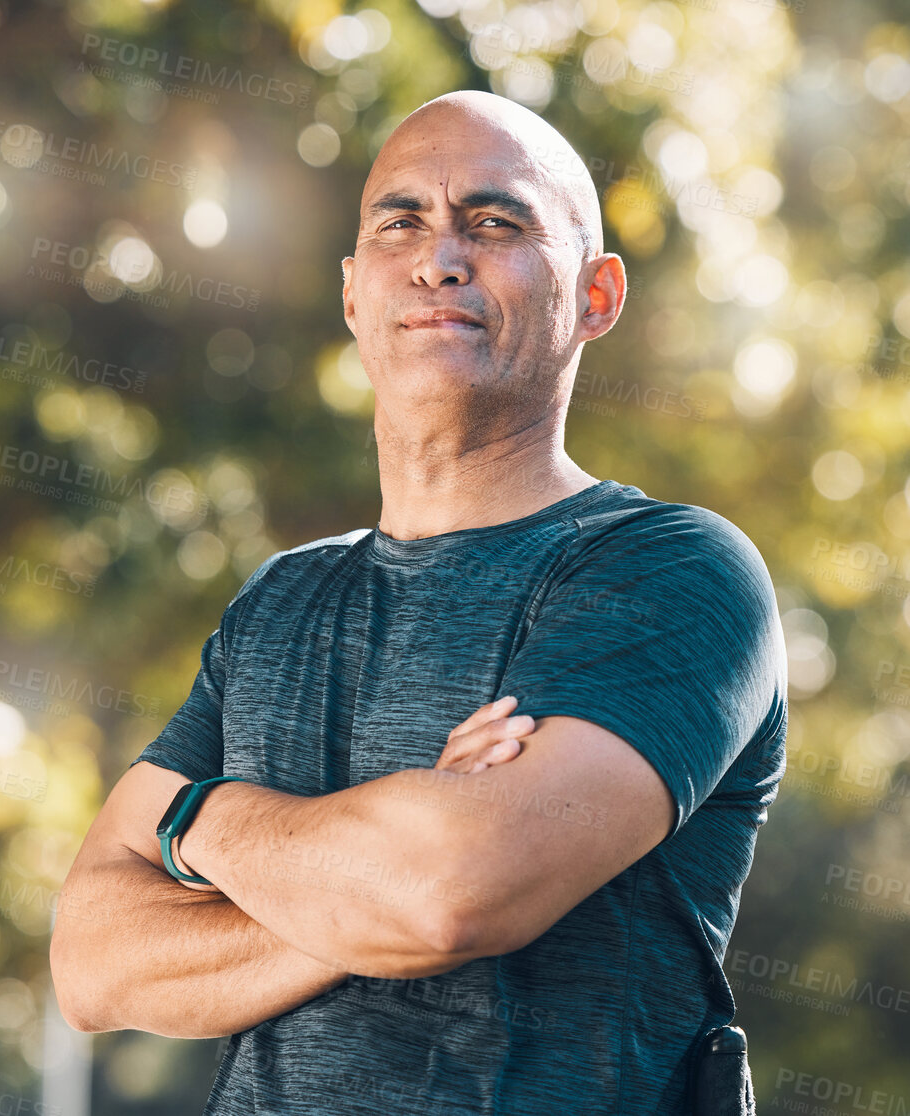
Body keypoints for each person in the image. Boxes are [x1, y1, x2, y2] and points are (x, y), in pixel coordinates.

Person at [48, 89, 787, 1115]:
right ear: (355, 294)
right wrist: (375, 873)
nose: (439, 256)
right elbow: (92, 962)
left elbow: (448, 897)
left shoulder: (672, 572)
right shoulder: (280, 603)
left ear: (597, 294)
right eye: (401, 221)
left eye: (496, 222)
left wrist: (193, 820)